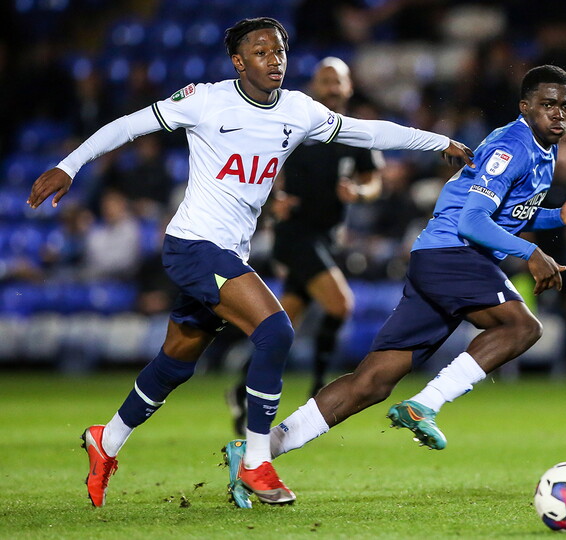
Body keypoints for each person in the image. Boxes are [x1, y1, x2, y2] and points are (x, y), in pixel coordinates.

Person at [25, 17, 474, 508]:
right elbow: (128, 125)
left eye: (279, 51)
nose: (274, 60)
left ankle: (105, 441)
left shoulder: (300, 110)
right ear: (238, 62)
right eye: (260, 52)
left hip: (227, 252)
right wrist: (68, 164)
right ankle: (257, 460)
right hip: (193, 246)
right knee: (276, 331)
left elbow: (366, 133)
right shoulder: (206, 99)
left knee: (176, 361)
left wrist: (438, 142)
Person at [222, 65, 566, 508]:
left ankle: (256, 451)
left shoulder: (544, 150)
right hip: (452, 255)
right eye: (548, 104)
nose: (558, 114)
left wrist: (560, 217)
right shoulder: (513, 146)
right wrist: (532, 254)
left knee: (372, 381)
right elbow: (472, 221)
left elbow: (504, 213)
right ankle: (426, 403)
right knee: (522, 328)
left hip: (440, 260)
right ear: (526, 107)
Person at [225, 56, 384, 435]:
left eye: (337, 81)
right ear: (315, 85)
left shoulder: (354, 132)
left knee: (284, 325)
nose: (331, 87)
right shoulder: (297, 123)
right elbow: (259, 162)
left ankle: (239, 390)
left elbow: (374, 179)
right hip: (295, 235)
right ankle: (319, 393)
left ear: (348, 88)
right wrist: (272, 196)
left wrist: (360, 192)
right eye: (324, 80)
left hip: (327, 240)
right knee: (340, 304)